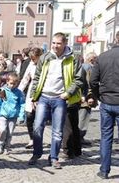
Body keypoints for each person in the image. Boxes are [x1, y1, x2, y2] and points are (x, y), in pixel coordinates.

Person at [28, 32, 83, 169]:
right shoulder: (45, 57)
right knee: (37, 127)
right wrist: (34, 96)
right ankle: (37, 153)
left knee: (57, 131)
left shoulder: (73, 59)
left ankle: (53, 157)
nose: (55, 46)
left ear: (65, 43)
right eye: (53, 43)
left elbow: (78, 79)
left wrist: (67, 93)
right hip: (44, 97)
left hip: (60, 98)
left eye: (58, 43)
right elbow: (37, 78)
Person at [90, 31, 119, 179]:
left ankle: (104, 170)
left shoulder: (103, 57)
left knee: (106, 137)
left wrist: (98, 96)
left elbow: (93, 81)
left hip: (107, 101)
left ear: (116, 38)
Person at [0, 72, 25, 154]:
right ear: (7, 81)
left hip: (13, 116)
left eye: (15, 84)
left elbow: (22, 104)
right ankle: (1, 144)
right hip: (3, 114)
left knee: (10, 132)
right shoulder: (3, 91)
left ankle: (7, 147)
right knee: (2, 130)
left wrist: (21, 116)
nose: (12, 85)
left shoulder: (19, 93)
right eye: (11, 83)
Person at [18, 47, 43, 149]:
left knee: (40, 118)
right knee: (29, 116)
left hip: (42, 92)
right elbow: (25, 79)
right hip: (32, 92)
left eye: (34, 58)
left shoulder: (46, 64)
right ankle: (32, 138)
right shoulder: (31, 64)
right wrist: (18, 91)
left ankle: (38, 140)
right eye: (31, 58)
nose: (32, 60)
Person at [79, 52, 98, 145]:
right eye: (96, 59)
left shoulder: (81, 66)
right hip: (85, 98)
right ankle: (80, 137)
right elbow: (90, 83)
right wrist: (90, 96)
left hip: (80, 97)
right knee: (83, 118)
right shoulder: (89, 68)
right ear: (92, 59)